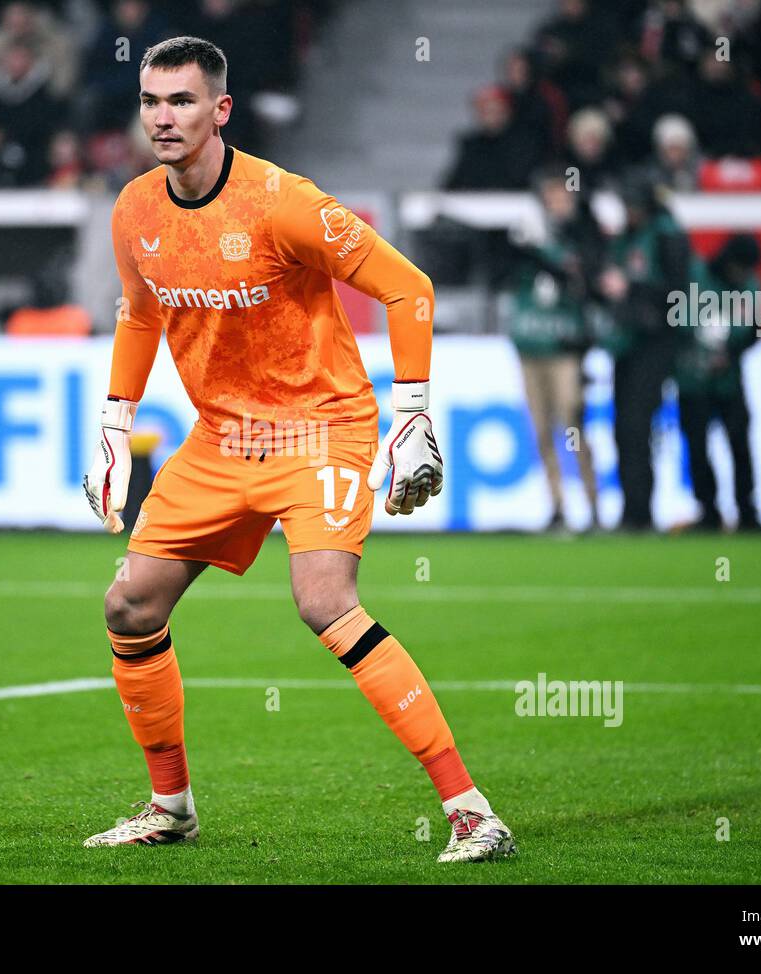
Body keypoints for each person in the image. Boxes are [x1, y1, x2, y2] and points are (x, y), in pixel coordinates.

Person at [79, 36, 515, 863]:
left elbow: (407, 287)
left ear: (221, 110)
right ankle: (170, 808)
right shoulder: (135, 208)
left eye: (180, 101)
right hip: (219, 438)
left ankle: (470, 812)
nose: (162, 118)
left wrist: (412, 413)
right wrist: (112, 422)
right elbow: (139, 313)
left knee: (324, 601)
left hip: (319, 426)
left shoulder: (283, 202)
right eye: (150, 101)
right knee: (128, 606)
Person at [508, 167, 604, 531]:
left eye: (562, 195)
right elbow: (504, 268)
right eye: (550, 196)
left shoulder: (580, 237)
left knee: (572, 425)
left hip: (565, 349)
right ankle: (558, 505)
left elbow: (583, 277)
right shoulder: (524, 243)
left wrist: (541, 248)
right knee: (542, 429)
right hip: (531, 348)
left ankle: (594, 504)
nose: (556, 202)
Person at [598, 170, 690, 531]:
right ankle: (632, 509)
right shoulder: (630, 236)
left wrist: (631, 288)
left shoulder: (668, 235)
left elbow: (677, 291)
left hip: (656, 342)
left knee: (636, 424)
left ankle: (641, 510)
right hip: (628, 340)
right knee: (625, 427)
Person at [674, 234, 761, 532]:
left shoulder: (752, 286)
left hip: (729, 381)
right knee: (698, 447)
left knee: (739, 443)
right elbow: (674, 323)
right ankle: (708, 511)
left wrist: (730, 352)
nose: (741, 273)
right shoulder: (694, 276)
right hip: (692, 380)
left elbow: (757, 331)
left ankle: (747, 511)